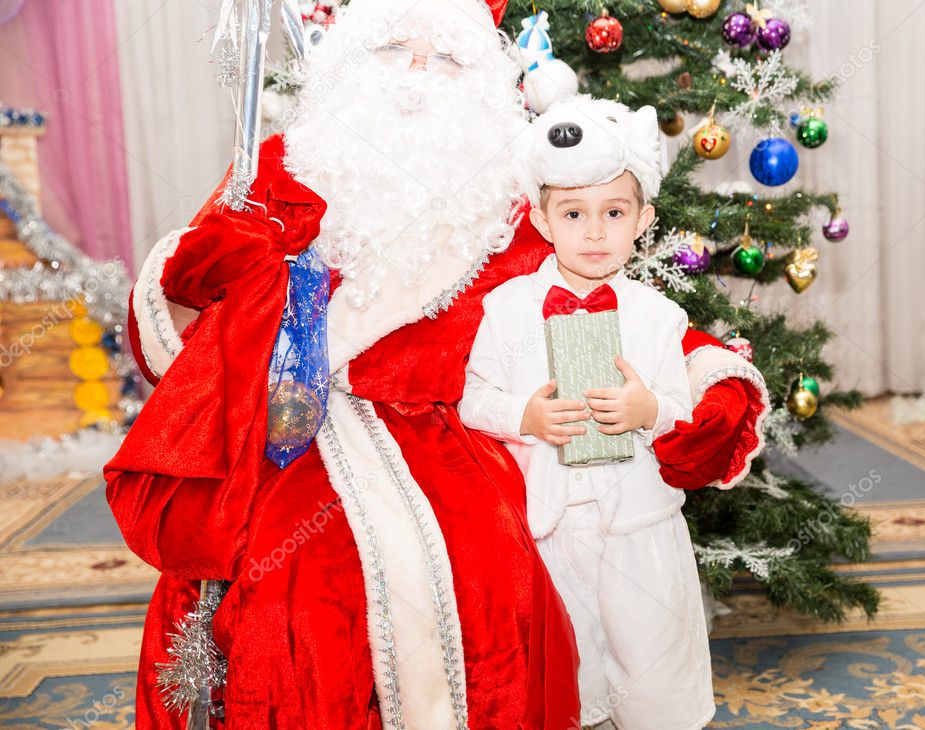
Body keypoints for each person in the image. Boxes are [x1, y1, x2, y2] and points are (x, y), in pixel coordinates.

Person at [105, 1, 768, 727]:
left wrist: (707, 377)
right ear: (348, 60)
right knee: (294, 589)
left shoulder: (518, 200)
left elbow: (602, 299)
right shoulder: (280, 168)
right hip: (288, 426)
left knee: (489, 570)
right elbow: (172, 337)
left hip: (460, 426)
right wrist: (199, 279)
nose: (419, 68)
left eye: (447, 55)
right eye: (394, 45)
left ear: (482, 79)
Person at [458, 96, 748, 729]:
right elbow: (470, 398)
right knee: (571, 655)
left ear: (642, 219)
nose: (594, 232)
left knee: (649, 656)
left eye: (613, 213)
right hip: (551, 524)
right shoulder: (505, 308)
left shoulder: (657, 316)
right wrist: (523, 416)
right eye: (574, 213)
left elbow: (680, 412)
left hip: (638, 522)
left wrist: (650, 410)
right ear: (541, 218)